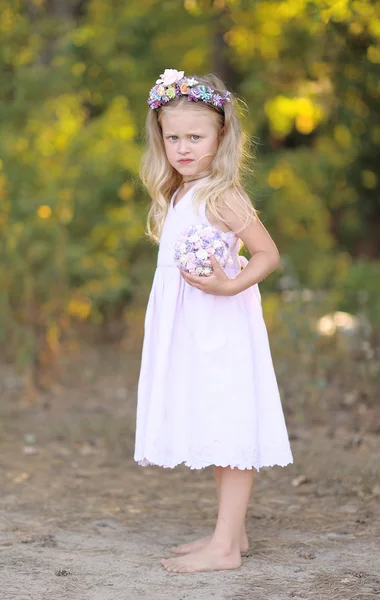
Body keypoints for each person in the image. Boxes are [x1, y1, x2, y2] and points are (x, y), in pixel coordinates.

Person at [134, 68, 294, 574]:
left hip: (219, 326)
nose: (182, 147)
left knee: (229, 423)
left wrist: (230, 284)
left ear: (221, 136)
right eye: (172, 136)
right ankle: (234, 532)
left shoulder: (221, 194)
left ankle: (224, 551)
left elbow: (267, 254)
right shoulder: (180, 191)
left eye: (195, 137)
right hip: (192, 329)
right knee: (213, 418)